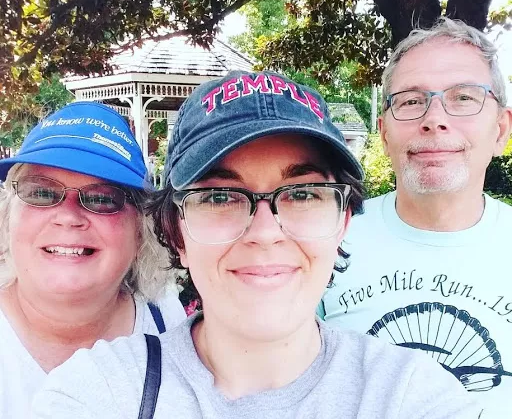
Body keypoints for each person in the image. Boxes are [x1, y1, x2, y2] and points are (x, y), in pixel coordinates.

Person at [31, 71, 479, 419]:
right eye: (220, 196)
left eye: (302, 194)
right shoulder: (99, 393)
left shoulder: (410, 396)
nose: (266, 232)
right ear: (175, 230)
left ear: (343, 220)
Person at [320, 18, 512, 418]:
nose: (434, 118)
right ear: (385, 133)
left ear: (501, 129)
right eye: (410, 100)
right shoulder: (322, 241)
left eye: (463, 98)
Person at [0, 101, 186, 418]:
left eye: (102, 199)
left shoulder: (166, 319)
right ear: (9, 214)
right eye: (41, 193)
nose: (68, 217)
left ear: (141, 230)